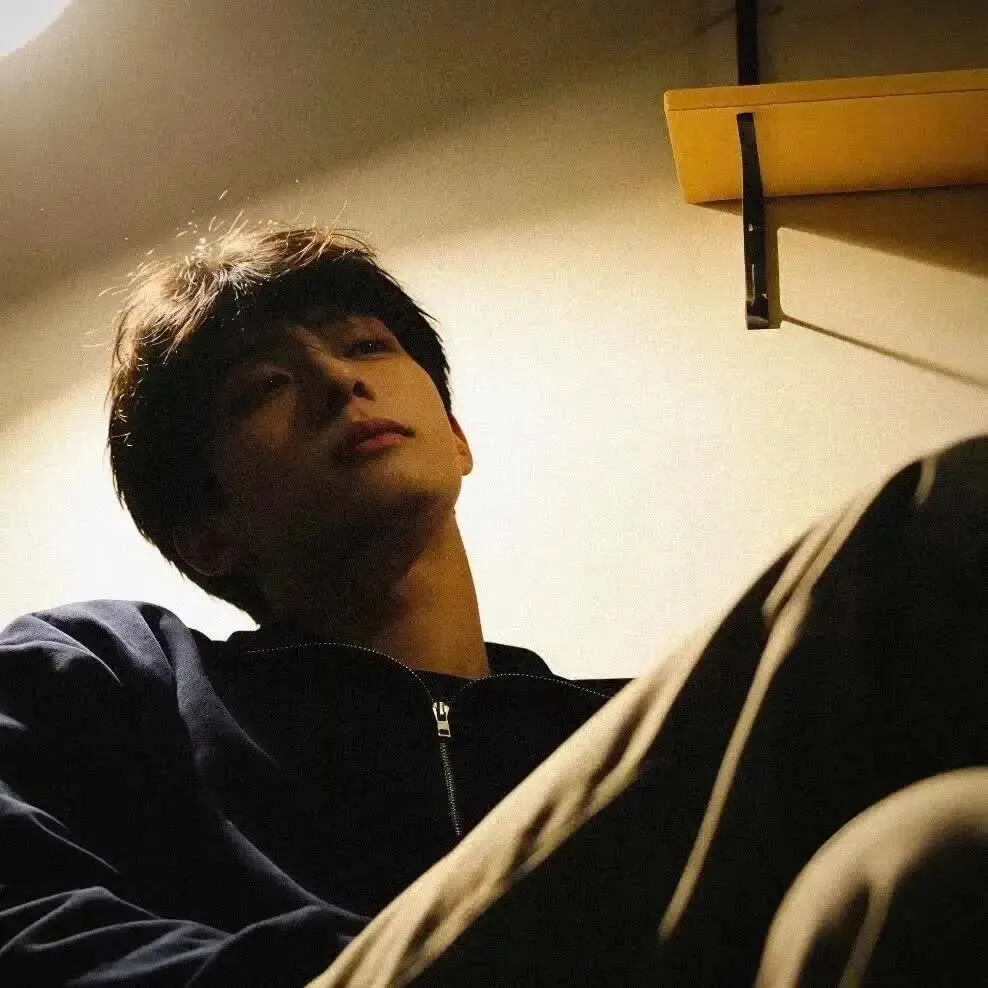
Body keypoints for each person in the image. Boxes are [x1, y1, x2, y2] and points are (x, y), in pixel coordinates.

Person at [0, 225, 984, 987]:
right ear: (207, 534)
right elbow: (27, 931)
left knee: (937, 848)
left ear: (457, 437)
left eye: (366, 344)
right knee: (939, 520)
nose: (340, 379)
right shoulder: (107, 673)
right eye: (264, 386)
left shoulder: (606, 733)